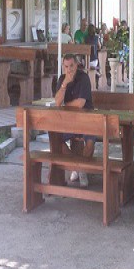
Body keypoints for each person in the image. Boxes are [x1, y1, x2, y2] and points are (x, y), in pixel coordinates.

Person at [54, 53, 94, 187]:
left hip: (87, 120)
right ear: (63, 67)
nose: (69, 69)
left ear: (76, 65)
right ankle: (77, 168)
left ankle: (80, 169)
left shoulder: (84, 78)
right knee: (55, 140)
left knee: (90, 143)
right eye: (66, 67)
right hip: (69, 122)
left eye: (71, 66)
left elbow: (80, 103)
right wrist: (64, 84)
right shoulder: (62, 79)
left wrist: (66, 104)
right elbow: (57, 102)